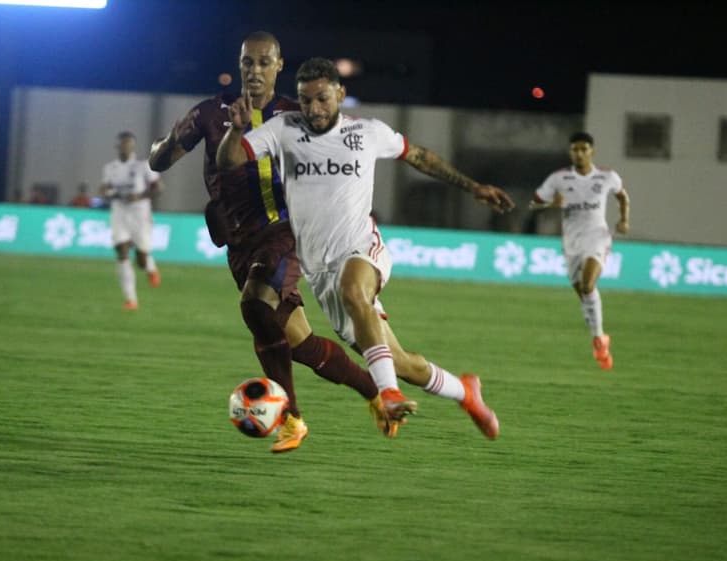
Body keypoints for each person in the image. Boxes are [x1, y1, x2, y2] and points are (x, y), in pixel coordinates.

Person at [217, 57, 515, 440]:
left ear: (340, 94)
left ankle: (387, 393)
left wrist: (472, 187)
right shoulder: (283, 130)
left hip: (360, 248)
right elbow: (231, 161)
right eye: (306, 100)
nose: (314, 109)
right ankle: (465, 392)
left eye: (323, 98)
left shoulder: (368, 132)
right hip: (320, 270)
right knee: (402, 361)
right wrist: (235, 131)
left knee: (353, 289)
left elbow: (419, 156)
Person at [150, 32, 390, 453]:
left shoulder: (299, 116)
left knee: (255, 304)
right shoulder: (210, 113)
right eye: (248, 63)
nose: (255, 71)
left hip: (287, 233)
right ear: (239, 65)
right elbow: (161, 157)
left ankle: (291, 418)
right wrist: (163, 147)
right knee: (300, 344)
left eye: (264, 63)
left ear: (279, 67)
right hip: (240, 245)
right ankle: (374, 393)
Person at [529, 132, 630, 370]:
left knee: (587, 286)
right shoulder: (559, 179)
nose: (580, 153)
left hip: (597, 237)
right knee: (584, 295)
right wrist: (550, 204)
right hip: (571, 242)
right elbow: (534, 203)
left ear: (592, 151)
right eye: (575, 149)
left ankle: (598, 339)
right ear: (570, 152)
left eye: (584, 149)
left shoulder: (607, 176)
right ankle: (600, 338)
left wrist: (624, 220)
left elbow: (622, 197)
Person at [100, 131, 163, 310]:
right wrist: (106, 192)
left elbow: (158, 188)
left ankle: (150, 267)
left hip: (140, 215)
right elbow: (104, 189)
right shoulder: (110, 168)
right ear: (117, 146)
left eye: (129, 144)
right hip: (119, 213)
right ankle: (131, 300)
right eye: (123, 144)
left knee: (141, 259)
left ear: (133, 146)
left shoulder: (143, 166)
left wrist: (140, 196)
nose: (126, 147)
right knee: (122, 251)